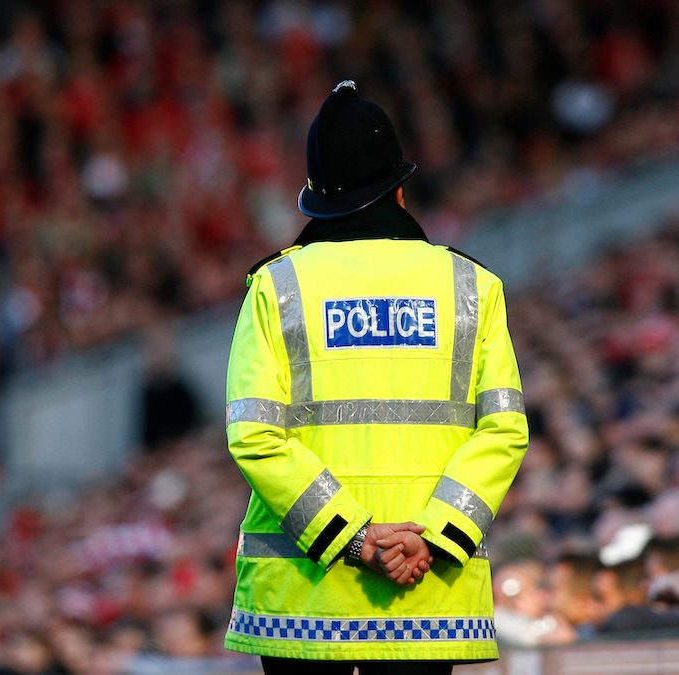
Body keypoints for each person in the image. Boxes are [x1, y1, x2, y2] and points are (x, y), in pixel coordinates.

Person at [222, 81, 528, 674]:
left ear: (315, 197)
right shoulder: (472, 286)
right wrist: (433, 538)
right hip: (429, 596)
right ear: (400, 188)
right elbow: (504, 430)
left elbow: (254, 437)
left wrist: (356, 540)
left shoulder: (276, 287)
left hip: (305, 603)